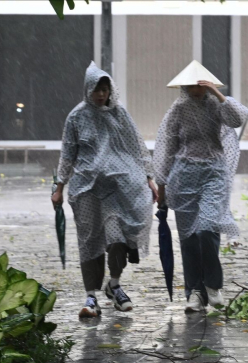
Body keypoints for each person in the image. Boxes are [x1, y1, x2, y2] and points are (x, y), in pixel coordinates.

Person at [52, 61, 158, 318]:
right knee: (90, 242)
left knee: (117, 239)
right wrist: (59, 187)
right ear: (88, 89)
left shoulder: (120, 115)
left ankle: (115, 284)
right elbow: (68, 154)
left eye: (105, 89)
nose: (101, 94)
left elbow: (137, 147)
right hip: (86, 189)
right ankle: (91, 297)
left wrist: (149, 178)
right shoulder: (76, 117)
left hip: (116, 189)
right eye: (97, 89)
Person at [154, 61, 248, 313]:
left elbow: (238, 118)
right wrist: (161, 187)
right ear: (184, 87)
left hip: (214, 173)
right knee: (188, 237)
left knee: (207, 228)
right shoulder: (177, 110)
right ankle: (195, 291)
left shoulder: (215, 105)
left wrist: (218, 94)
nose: (196, 91)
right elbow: (166, 149)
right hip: (184, 176)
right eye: (191, 86)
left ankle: (213, 285)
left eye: (200, 86)